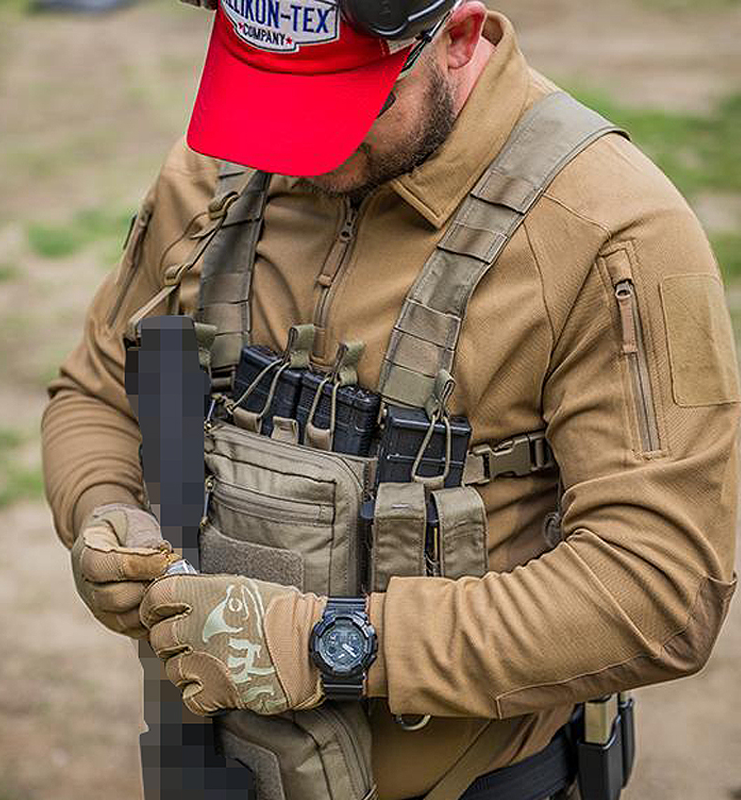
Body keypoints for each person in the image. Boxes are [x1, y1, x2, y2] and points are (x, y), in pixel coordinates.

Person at [41, 1, 740, 799]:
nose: (295, 145)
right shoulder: (212, 179)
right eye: (274, 95)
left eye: (340, 103)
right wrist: (104, 510)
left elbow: (661, 589)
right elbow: (96, 390)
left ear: (458, 37)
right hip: (212, 770)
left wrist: (332, 644)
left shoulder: (611, 232)